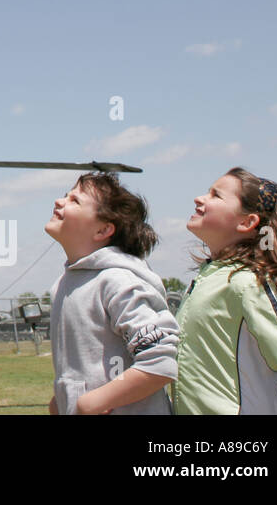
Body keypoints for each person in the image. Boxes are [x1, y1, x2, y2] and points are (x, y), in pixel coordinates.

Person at [174, 168, 277, 414]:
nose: (199, 199)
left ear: (247, 222)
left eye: (216, 195)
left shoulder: (253, 284)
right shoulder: (207, 279)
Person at [45, 172, 178, 414]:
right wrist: (62, 400)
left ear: (103, 230)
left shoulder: (117, 281)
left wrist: (93, 402)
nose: (59, 201)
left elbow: (159, 362)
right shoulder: (61, 286)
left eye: (75, 200)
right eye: (66, 195)